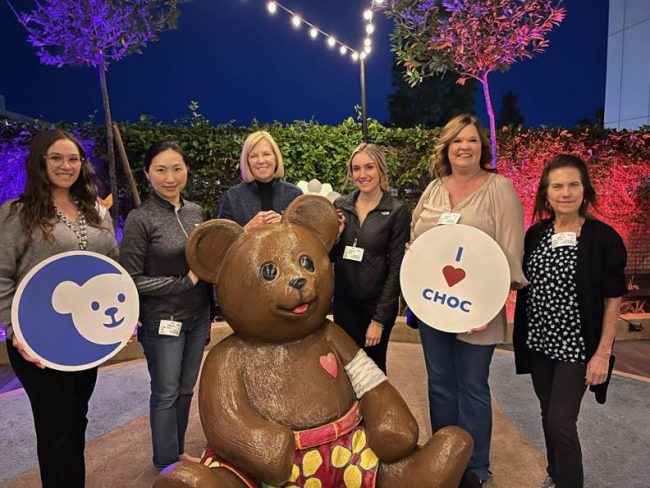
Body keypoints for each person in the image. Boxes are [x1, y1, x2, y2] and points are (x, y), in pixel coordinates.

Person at [409, 114, 527, 487]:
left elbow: (511, 253)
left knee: (473, 386)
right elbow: (417, 241)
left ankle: (475, 467)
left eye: (472, 140)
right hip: (434, 307)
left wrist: (490, 306)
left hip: (479, 311)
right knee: (439, 383)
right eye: (457, 140)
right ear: (447, 147)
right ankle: (445, 458)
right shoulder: (433, 190)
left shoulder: (499, 188)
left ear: (482, 147)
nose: (464, 147)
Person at [0, 129, 117, 487]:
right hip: (36, 341)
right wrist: (13, 330)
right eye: (57, 158)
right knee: (55, 430)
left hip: (84, 338)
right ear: (40, 162)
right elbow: (2, 275)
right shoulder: (17, 213)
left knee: (76, 420)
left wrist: (121, 316)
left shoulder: (96, 211)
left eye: (73, 159)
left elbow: (112, 267)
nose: (66, 166)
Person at [513, 154, 627, 488]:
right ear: (546, 194)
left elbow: (613, 299)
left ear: (585, 189)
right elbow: (517, 277)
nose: (566, 192)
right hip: (539, 344)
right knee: (548, 415)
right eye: (557, 186)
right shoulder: (535, 235)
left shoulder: (603, 239)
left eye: (573, 184)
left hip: (577, 348)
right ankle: (555, 475)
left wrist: (603, 354)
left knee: (562, 421)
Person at [119, 142, 212, 468]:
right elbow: (130, 279)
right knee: (166, 392)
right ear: (147, 174)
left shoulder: (196, 212)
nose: (170, 177)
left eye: (176, 168)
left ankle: (178, 451)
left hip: (198, 317)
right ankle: (166, 461)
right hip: (162, 321)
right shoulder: (139, 219)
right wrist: (182, 283)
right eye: (160, 169)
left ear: (186, 170)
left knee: (186, 389)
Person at [331, 143, 410, 373]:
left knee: (372, 371)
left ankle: (373, 411)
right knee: (346, 370)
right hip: (344, 304)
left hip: (375, 305)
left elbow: (397, 268)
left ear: (381, 170)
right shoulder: (340, 206)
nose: (362, 175)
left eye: (369, 167)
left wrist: (378, 320)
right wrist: (335, 237)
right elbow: (328, 257)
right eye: (356, 169)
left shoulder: (396, 211)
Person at [218, 130, 302, 228]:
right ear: (247, 161)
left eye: (266, 154)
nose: (261, 161)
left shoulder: (295, 195)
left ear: (276, 158)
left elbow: (307, 239)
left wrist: (285, 226)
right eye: (254, 156)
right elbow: (222, 240)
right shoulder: (232, 197)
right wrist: (247, 229)